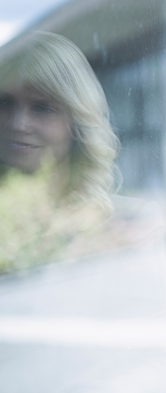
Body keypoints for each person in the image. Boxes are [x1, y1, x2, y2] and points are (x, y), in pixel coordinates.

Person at [0, 31, 123, 272]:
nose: (18, 124)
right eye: (4, 103)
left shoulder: (117, 227)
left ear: (77, 124)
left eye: (42, 108)